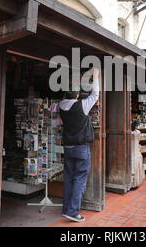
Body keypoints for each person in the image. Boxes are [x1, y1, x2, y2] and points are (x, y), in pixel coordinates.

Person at [59, 67, 100, 222]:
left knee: (69, 178)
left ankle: (66, 209)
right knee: (79, 179)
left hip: (68, 147)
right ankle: (72, 211)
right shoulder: (81, 105)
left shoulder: (62, 105)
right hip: (81, 147)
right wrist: (95, 76)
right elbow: (95, 94)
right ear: (76, 94)